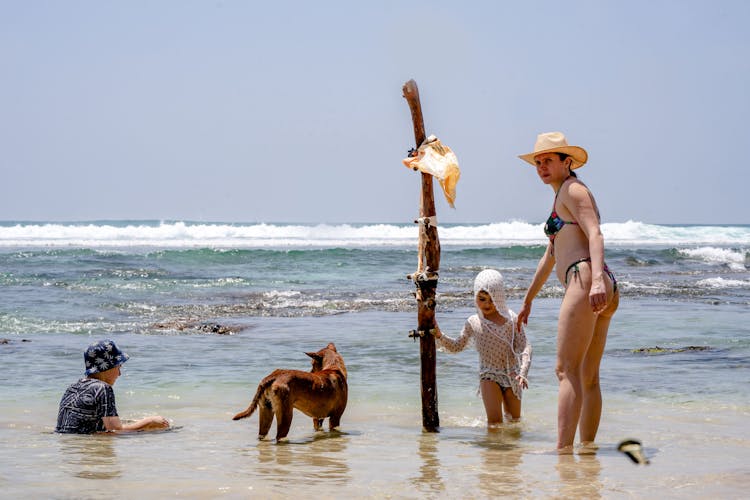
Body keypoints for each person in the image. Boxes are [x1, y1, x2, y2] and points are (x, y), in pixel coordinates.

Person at [516, 131, 619, 451]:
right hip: (593, 280)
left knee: (565, 370)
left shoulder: (574, 190)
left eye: (549, 160)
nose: (541, 166)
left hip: (587, 278)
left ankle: (562, 452)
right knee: (587, 376)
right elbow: (551, 255)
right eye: (538, 162)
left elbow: (595, 234)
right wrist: (528, 299)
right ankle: (586, 452)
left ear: (567, 162)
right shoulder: (561, 193)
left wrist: (597, 281)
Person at [433, 269, 532, 425]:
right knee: (495, 424)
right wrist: (439, 335)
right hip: (489, 374)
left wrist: (523, 372)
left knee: (514, 422)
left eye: (491, 299)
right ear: (475, 297)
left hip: (513, 375)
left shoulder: (511, 319)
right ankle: (492, 449)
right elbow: (457, 346)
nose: (487, 304)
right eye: (482, 299)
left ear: (499, 297)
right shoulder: (473, 322)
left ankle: (513, 450)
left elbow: (525, 346)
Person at [55, 339, 170, 434]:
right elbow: (115, 431)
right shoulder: (103, 388)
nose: (120, 373)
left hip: (68, 449)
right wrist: (149, 421)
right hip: (86, 445)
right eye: (118, 367)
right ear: (107, 367)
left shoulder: (72, 387)